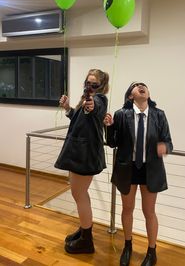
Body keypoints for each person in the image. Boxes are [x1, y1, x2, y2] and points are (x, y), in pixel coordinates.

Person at [104, 82, 173, 266]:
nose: (141, 86)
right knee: (127, 209)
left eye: (144, 85)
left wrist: (164, 147)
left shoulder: (159, 115)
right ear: (130, 96)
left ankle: (152, 251)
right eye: (136, 86)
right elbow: (112, 143)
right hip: (128, 169)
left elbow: (169, 142)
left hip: (151, 170)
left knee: (149, 212)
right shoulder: (121, 114)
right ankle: (128, 246)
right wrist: (110, 126)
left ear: (148, 93)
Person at [55, 69, 109, 254]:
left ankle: (87, 240)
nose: (89, 86)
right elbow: (80, 121)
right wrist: (69, 109)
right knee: (80, 195)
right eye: (87, 83)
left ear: (101, 86)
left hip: (84, 156)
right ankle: (84, 230)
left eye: (94, 84)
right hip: (78, 154)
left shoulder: (100, 100)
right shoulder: (84, 100)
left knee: (79, 195)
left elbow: (95, 108)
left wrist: (91, 104)